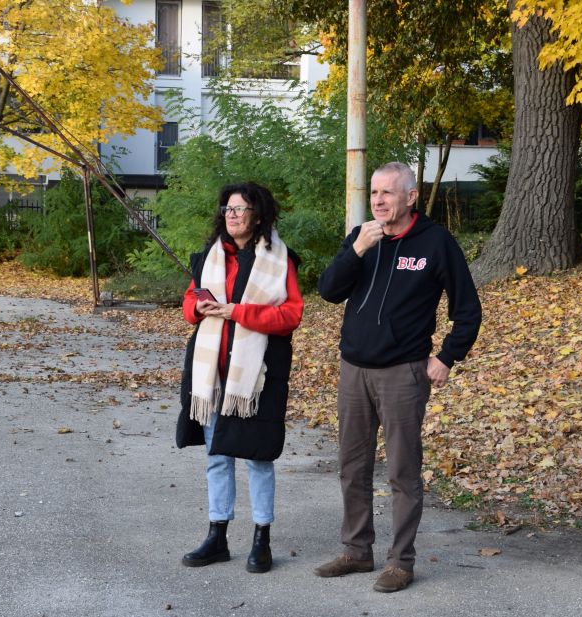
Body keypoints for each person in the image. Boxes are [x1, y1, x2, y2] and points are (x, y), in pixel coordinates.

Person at [314, 162, 481, 592]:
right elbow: (329, 291)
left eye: (387, 193)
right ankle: (356, 551)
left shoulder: (435, 242)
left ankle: (401, 562)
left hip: (402, 373)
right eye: (374, 193)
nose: (378, 200)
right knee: (352, 466)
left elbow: (468, 310)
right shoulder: (363, 237)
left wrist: (447, 357)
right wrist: (356, 250)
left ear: (410, 196)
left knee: (403, 471)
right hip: (354, 369)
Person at [175, 182, 303, 574]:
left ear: (258, 216)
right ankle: (217, 537)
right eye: (227, 209)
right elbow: (189, 301)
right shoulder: (210, 256)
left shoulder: (280, 260)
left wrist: (237, 312)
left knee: (258, 457)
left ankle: (262, 538)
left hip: (256, 379)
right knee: (217, 456)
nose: (232, 215)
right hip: (212, 376)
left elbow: (291, 315)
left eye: (240, 209)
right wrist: (199, 308)